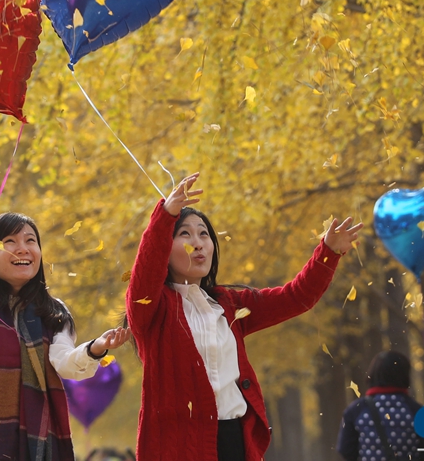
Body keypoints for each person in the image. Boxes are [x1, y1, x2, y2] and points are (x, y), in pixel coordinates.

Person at [126, 172, 363, 461]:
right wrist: (165, 216)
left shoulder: (229, 303)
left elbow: (294, 298)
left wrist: (328, 253)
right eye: (184, 234)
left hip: (235, 442)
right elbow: (144, 274)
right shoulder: (152, 311)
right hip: (179, 448)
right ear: (166, 245)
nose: (198, 243)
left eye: (204, 234)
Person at [0, 212, 132, 461]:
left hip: (38, 436)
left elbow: (63, 362)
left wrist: (95, 348)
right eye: (10, 241)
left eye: (30, 241)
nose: (22, 249)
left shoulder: (53, 311)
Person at [336, 350, 424, 461]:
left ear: (373, 374)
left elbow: (345, 450)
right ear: (405, 375)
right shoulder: (416, 411)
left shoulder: (356, 410)